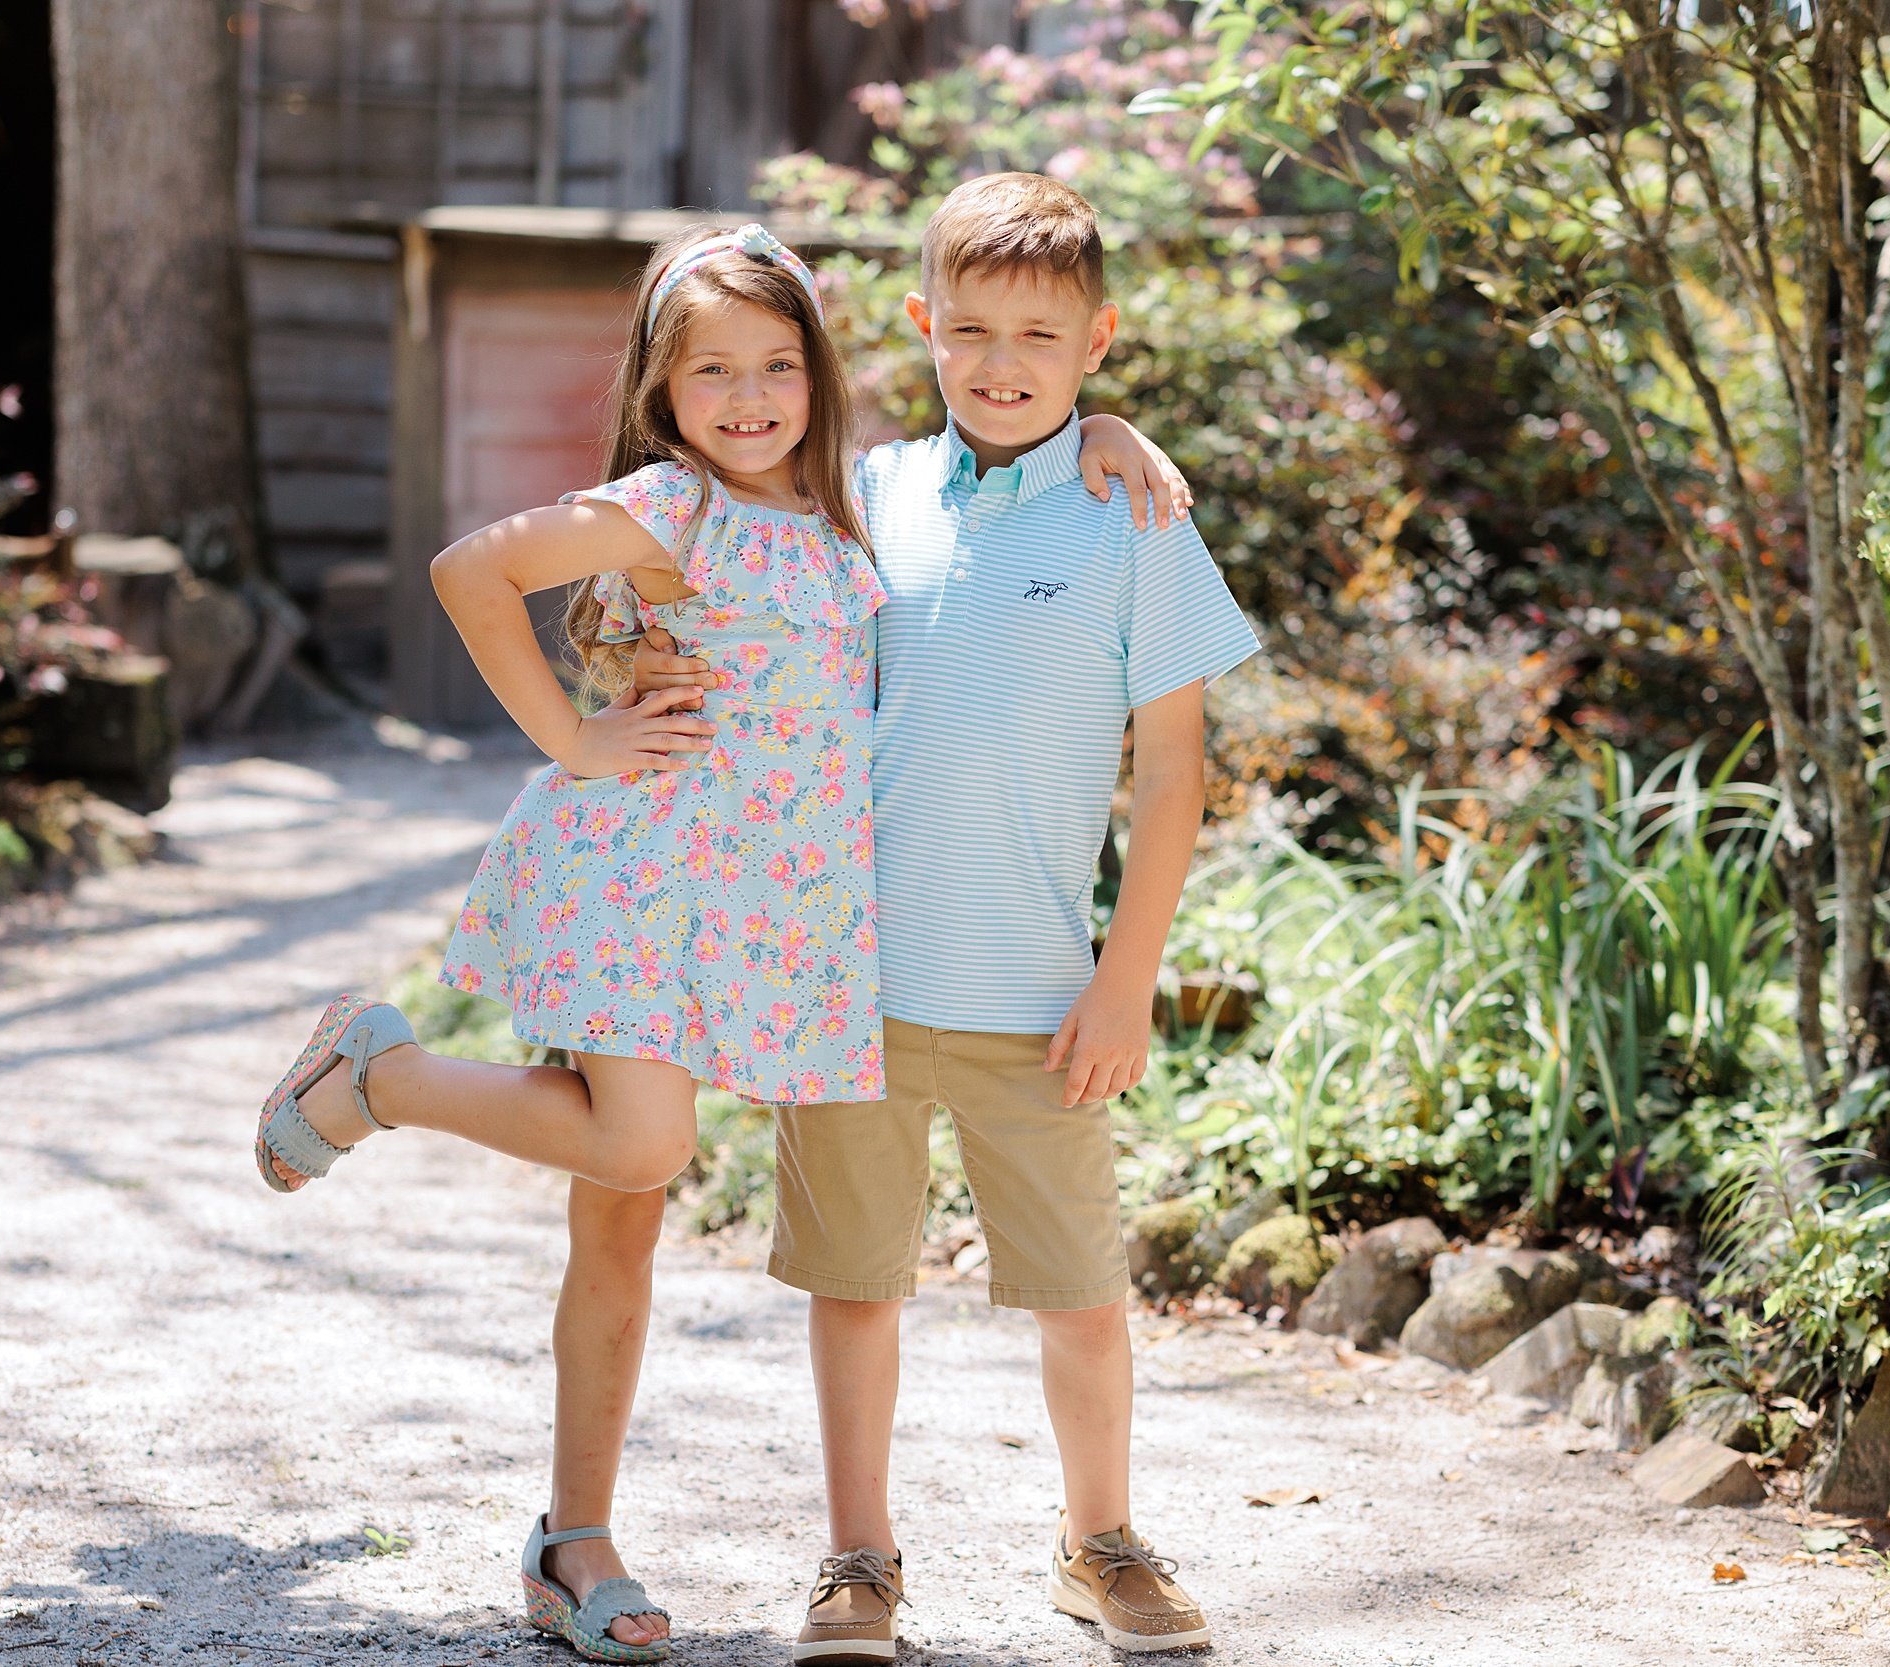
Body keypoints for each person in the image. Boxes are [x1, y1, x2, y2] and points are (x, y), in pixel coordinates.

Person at [250, 220, 1192, 1663]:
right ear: (663, 382)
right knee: (636, 1157)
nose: (748, 398)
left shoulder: (852, 512)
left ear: (818, 372)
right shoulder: (672, 506)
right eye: (712, 373)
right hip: (644, 876)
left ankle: (574, 1551)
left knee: (629, 1188)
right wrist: (576, 733)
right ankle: (383, 1076)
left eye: (774, 367)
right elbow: (470, 570)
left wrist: (1105, 429)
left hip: (760, 919)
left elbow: (1004, 451)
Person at [638, 173, 1258, 1660]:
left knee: (1084, 1297)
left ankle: (1097, 1539)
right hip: (844, 984)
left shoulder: (1136, 516)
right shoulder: (871, 490)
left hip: (1044, 993)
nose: (1000, 361)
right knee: (856, 1289)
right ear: (919, 323)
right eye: (968, 328)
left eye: (1039, 337)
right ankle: (859, 1556)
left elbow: (1172, 777)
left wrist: (1128, 982)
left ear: (1097, 339)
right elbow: (718, 462)